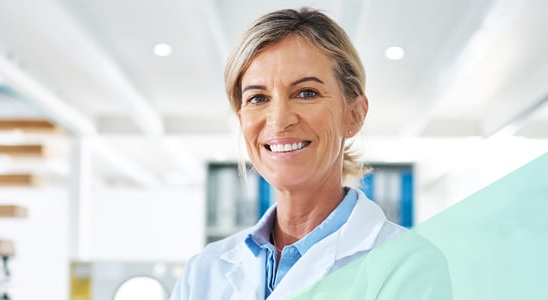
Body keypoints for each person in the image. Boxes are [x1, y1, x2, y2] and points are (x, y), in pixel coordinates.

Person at [170, 7, 451, 300]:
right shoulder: (203, 272)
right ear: (242, 119)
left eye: (306, 93)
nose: (279, 120)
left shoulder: (408, 267)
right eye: (258, 98)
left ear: (354, 115)